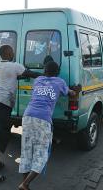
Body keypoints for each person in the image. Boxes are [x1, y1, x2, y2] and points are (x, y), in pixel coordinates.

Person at [0, 45, 41, 185]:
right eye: (12, 51)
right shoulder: (15, 66)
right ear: (9, 53)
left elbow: (13, 76)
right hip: (2, 105)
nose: (14, 53)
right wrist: (46, 75)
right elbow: (30, 73)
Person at [18, 61, 78, 190]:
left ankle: (24, 185)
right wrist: (75, 90)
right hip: (43, 119)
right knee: (42, 154)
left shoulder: (38, 80)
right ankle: (25, 184)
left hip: (27, 116)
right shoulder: (60, 82)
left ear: (45, 71)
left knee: (27, 151)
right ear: (57, 72)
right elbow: (71, 93)